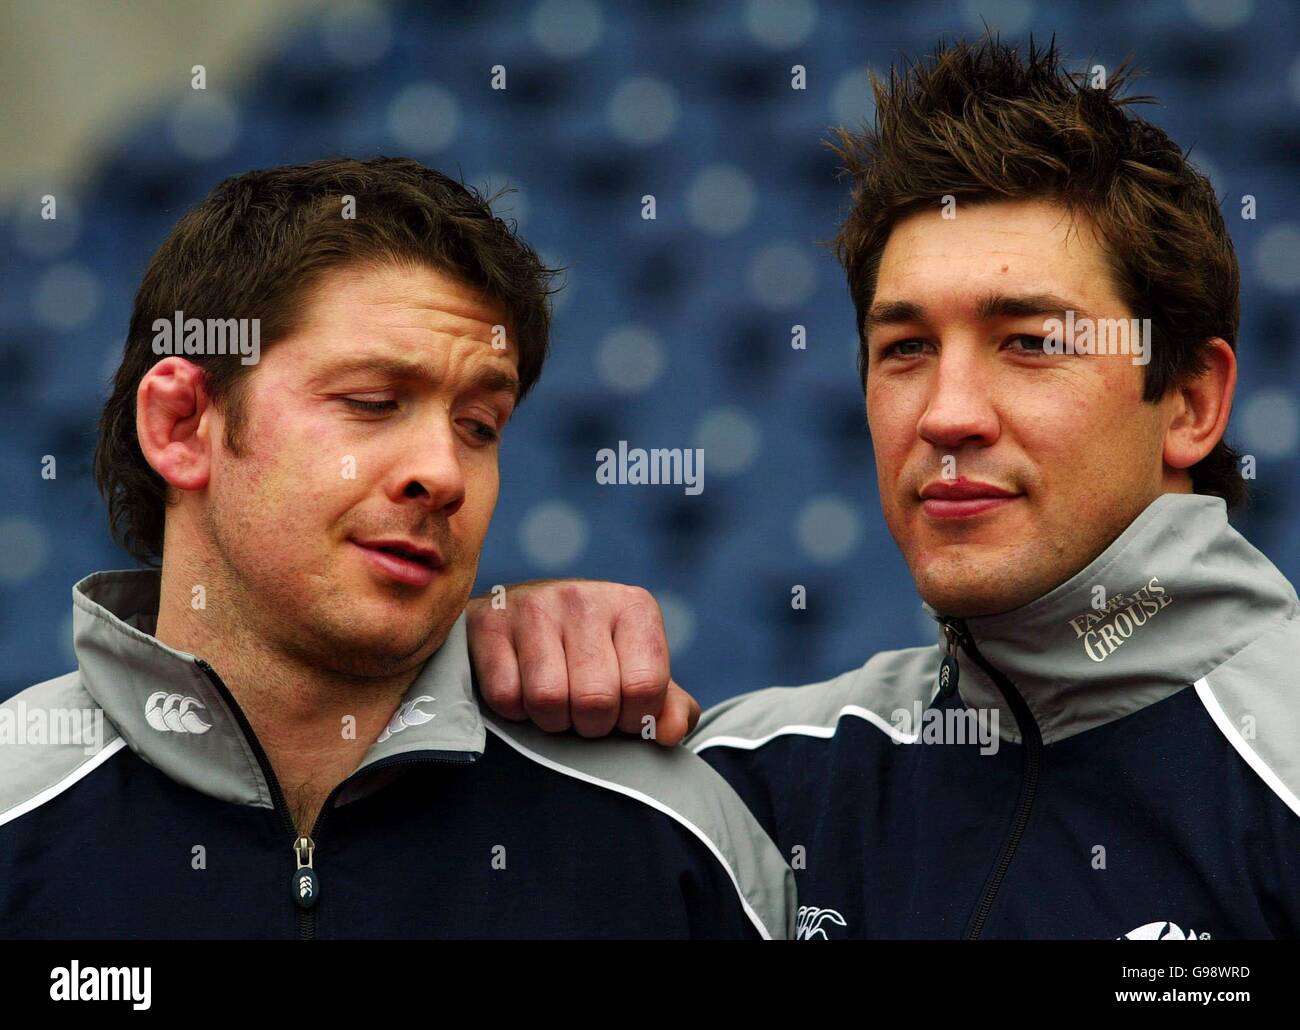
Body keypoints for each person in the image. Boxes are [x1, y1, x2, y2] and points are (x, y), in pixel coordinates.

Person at [467, 38, 1300, 939]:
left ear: (1190, 402)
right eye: (906, 349)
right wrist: (472, 687)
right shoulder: (753, 787)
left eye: (1030, 342)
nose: (947, 416)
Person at [0, 157, 793, 940]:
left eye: (479, 427)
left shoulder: (673, 835)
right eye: (373, 402)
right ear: (181, 426)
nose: (442, 473)